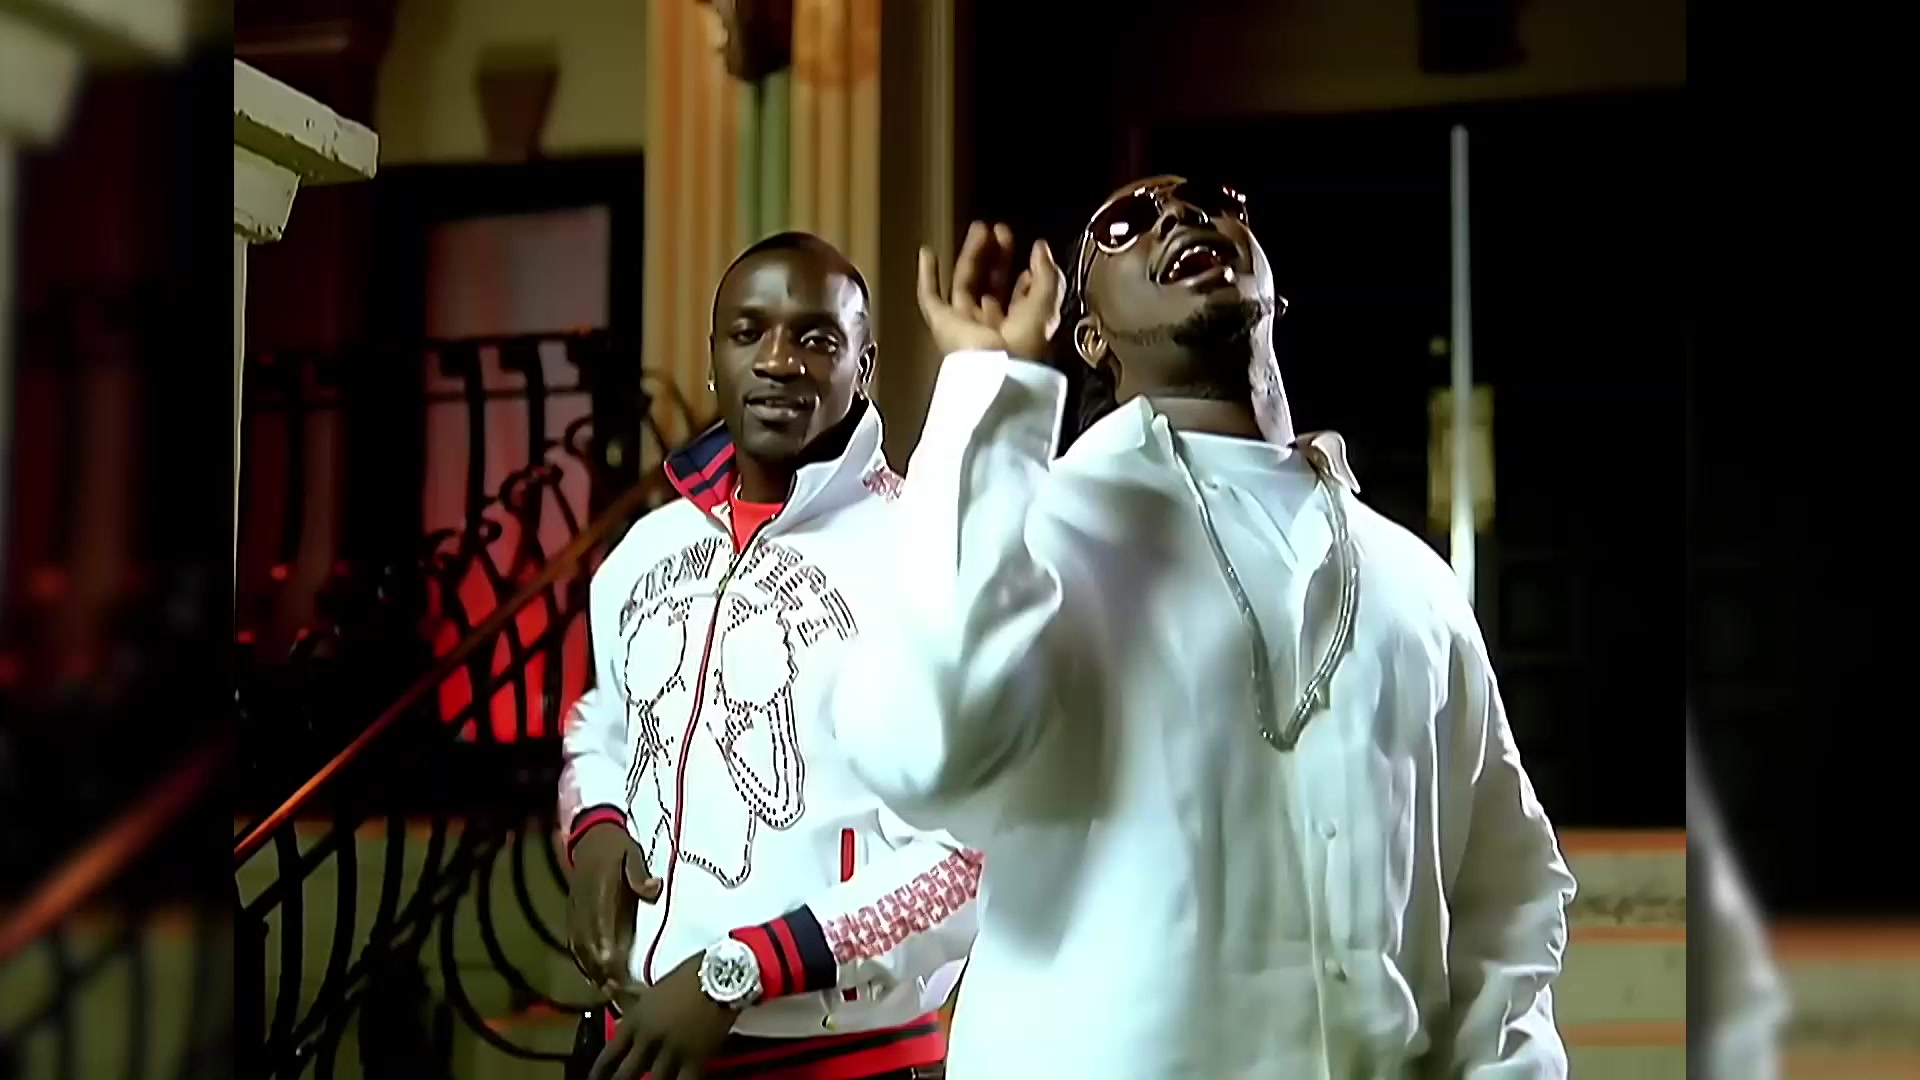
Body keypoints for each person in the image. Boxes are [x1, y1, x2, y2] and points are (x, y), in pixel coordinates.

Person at [825, 182, 1579, 1077]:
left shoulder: (1412, 578)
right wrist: (991, 389)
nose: (1178, 219)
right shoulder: (1036, 531)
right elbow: (926, 750)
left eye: (1215, 202)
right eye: (1126, 225)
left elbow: (1508, 893)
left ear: (1276, 293)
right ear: (1090, 334)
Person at [560, 231, 977, 1080]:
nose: (780, 361)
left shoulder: (929, 552)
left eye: (817, 338)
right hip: (627, 1046)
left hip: (837, 1059)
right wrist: (595, 825)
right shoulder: (644, 550)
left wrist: (742, 969)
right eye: (749, 333)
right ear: (714, 359)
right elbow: (601, 729)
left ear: (863, 365)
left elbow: (965, 860)